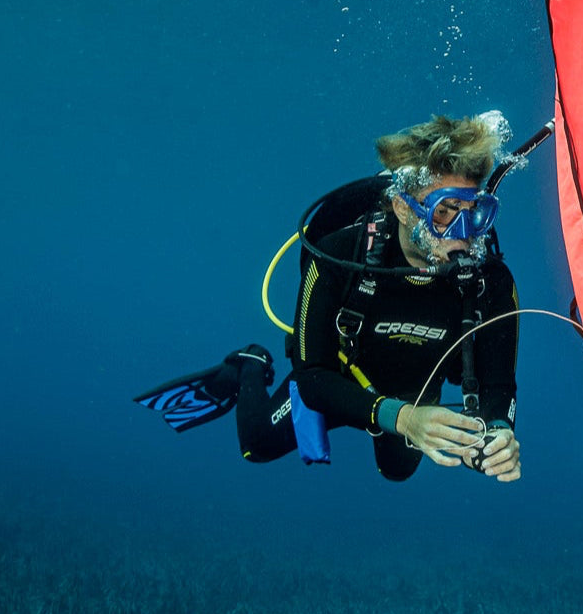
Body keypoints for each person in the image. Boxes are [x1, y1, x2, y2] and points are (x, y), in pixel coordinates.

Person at [133, 113, 522, 484]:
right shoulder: (338, 256)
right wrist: (402, 419)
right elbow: (312, 376)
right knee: (256, 445)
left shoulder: (491, 281)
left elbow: (498, 385)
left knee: (397, 470)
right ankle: (247, 365)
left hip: (416, 390)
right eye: (445, 212)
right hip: (338, 377)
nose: (464, 234)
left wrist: (497, 435)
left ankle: (397, 423)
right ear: (403, 206)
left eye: (475, 213)